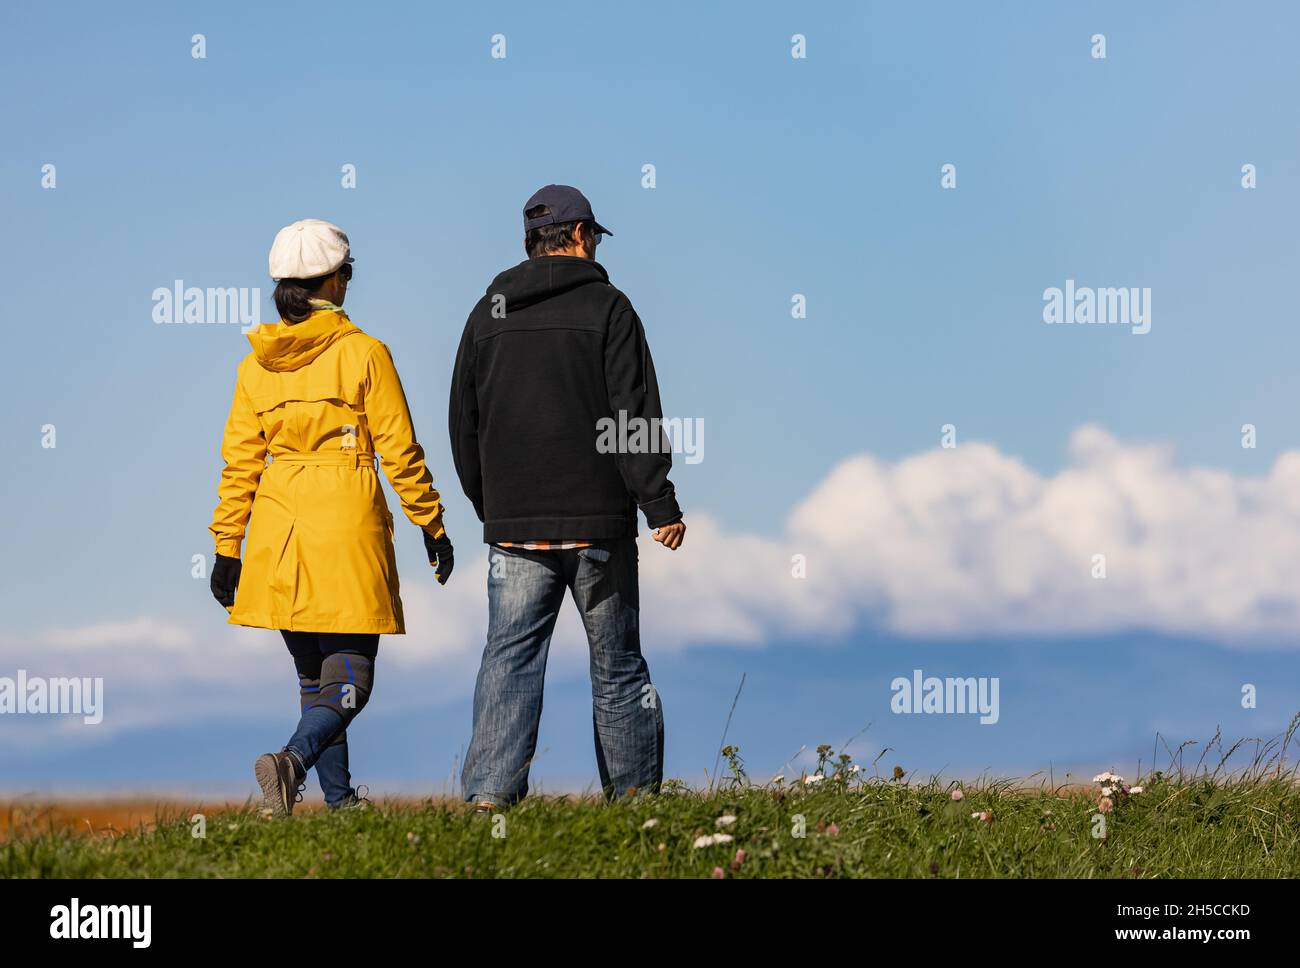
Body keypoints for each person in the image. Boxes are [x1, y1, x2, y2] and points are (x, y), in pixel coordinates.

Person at [449, 185, 685, 809]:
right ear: (581, 236)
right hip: (598, 524)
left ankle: (487, 804)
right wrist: (658, 502)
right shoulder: (610, 308)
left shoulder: (487, 313)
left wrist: (489, 503)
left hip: (514, 524)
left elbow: (463, 422)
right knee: (618, 666)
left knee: (509, 661)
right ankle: (636, 807)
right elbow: (632, 415)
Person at [208, 218, 454, 816]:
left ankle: (341, 807)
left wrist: (226, 546)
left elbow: (240, 462)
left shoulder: (253, 368)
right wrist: (431, 523)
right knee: (352, 681)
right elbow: (399, 448)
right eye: (347, 272)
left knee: (315, 681)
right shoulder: (365, 354)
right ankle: (290, 763)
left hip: (277, 531)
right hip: (345, 526)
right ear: (333, 282)